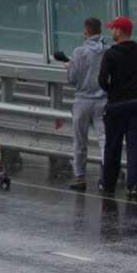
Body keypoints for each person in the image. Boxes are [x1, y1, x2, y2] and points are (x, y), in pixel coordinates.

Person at [97, 15, 137, 197]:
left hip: (116, 105)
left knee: (113, 146)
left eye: (113, 29)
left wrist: (113, 90)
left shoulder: (110, 54)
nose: (111, 31)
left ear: (120, 31)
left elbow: (102, 81)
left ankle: (109, 184)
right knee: (136, 146)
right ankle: (133, 185)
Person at [57, 18, 109, 191]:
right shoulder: (108, 50)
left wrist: (69, 67)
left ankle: (80, 178)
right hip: (103, 100)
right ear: (99, 31)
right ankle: (107, 175)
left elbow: (72, 79)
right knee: (105, 141)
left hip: (82, 101)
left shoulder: (79, 52)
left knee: (80, 141)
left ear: (86, 32)